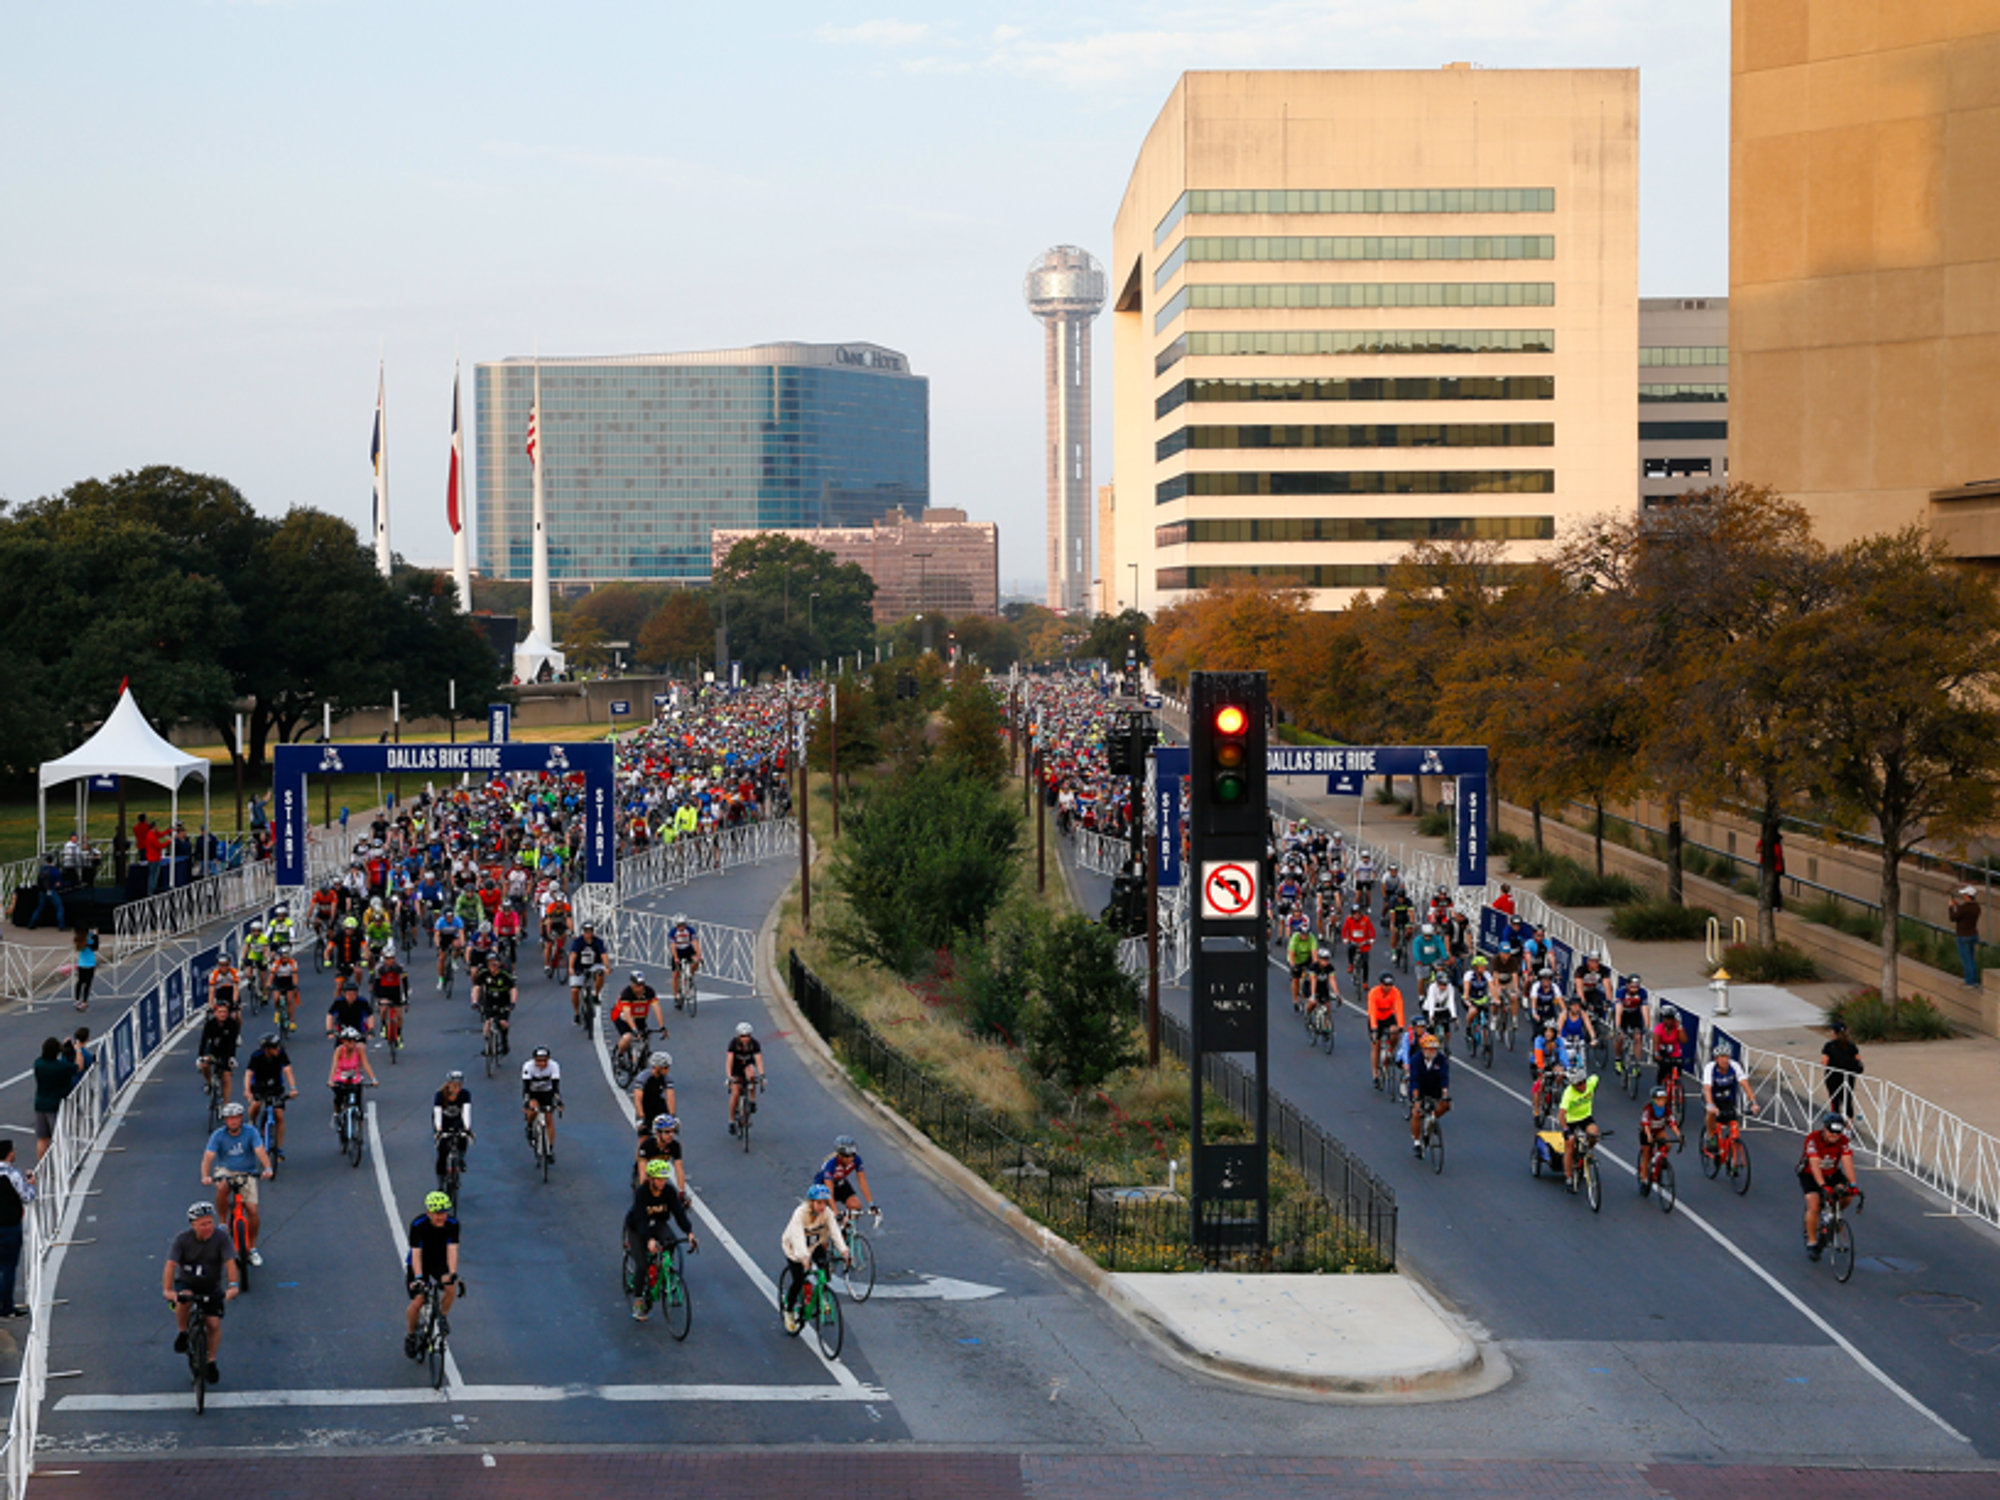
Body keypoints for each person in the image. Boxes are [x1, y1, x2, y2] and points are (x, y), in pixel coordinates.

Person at [164, 1202, 238, 1385]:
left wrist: (233, 1285)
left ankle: (211, 1360)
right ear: (193, 1225)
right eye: (203, 1224)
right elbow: (171, 1265)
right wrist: (168, 1290)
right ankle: (183, 1332)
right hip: (188, 1282)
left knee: (213, 1323)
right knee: (184, 1300)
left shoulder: (221, 1238)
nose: (207, 1227)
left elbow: (230, 1262)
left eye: (210, 1222)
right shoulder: (182, 1240)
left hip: (210, 1286)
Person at [623, 1159, 699, 1320]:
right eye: (658, 1179)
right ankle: (638, 1301)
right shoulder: (643, 1193)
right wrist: (649, 1239)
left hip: (658, 1222)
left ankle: (663, 1269)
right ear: (651, 1178)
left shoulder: (668, 1192)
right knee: (642, 1265)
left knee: (670, 1241)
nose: (662, 1182)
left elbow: (679, 1212)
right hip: (638, 1227)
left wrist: (689, 1232)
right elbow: (641, 1219)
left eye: (664, 1179)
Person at [200, 1102, 274, 1265]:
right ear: (225, 1120)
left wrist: (267, 1167)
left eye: (236, 1118)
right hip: (226, 1170)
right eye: (229, 1119)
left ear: (241, 1118)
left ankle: (253, 1248)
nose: (233, 1121)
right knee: (222, 1186)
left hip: (247, 1172)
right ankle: (222, 1222)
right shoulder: (218, 1135)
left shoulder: (250, 1132)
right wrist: (205, 1176)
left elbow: (260, 1150)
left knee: (252, 1210)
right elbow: (208, 1157)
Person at [777, 1183, 849, 1333]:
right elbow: (797, 1237)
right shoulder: (800, 1214)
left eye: (825, 1202)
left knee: (825, 1270)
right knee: (798, 1280)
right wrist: (803, 1257)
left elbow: (834, 1231)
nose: (822, 1206)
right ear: (811, 1202)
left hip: (814, 1245)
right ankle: (789, 1310)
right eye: (819, 1203)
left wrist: (844, 1251)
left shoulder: (827, 1213)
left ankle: (820, 1296)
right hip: (795, 1249)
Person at [404, 1191, 460, 1358]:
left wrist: (452, 1273)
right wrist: (419, 1278)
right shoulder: (418, 1225)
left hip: (439, 1262)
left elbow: (452, 1250)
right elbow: (416, 1253)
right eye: (437, 1213)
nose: (441, 1217)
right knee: (419, 1300)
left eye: (444, 1213)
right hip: (419, 1262)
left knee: (450, 1287)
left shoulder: (453, 1224)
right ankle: (411, 1335)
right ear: (429, 1212)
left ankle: (442, 1317)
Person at [1799, 1112, 1860, 1260]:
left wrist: (1853, 1184)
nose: (1834, 1135)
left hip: (1832, 1173)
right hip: (1811, 1174)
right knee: (1814, 1205)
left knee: (1847, 1197)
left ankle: (1832, 1215)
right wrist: (1823, 1185)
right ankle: (1812, 1242)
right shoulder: (1812, 1139)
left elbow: (1847, 1162)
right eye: (1831, 1132)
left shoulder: (1843, 1141)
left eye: (1838, 1133)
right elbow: (1814, 1165)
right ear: (1824, 1129)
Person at [244, 1034, 297, 1162]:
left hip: (276, 1087)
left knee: (279, 1115)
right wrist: (247, 1091)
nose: (277, 1049)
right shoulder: (256, 1056)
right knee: (256, 1105)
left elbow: (287, 1069)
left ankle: (278, 1148)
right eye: (274, 1047)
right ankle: (252, 1122)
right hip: (260, 1086)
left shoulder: (281, 1054)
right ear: (267, 1049)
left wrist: (293, 1087)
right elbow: (249, 1073)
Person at [1701, 1041, 1759, 1150]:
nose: (1725, 1060)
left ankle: (1732, 1151)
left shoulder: (1734, 1066)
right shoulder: (1710, 1068)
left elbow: (1745, 1084)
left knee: (1734, 1123)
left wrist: (1754, 1102)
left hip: (1727, 1098)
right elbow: (1707, 1088)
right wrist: (1710, 1105)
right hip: (1712, 1098)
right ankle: (1710, 1136)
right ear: (1716, 1059)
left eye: (1727, 1057)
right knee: (1711, 1114)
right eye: (1721, 1057)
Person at [0, 1140, 35, 1318]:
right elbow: (27, 1197)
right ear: (9, 1154)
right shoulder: (13, 1174)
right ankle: (6, 1307)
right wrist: (31, 1183)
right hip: (9, 1225)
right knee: (8, 1268)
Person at [31, 1037, 78, 1165]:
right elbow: (75, 1067)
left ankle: (43, 1166)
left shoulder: (38, 1063)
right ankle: (62, 1165)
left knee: (43, 1138)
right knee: (60, 1138)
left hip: (40, 1104)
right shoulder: (60, 1067)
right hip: (55, 1105)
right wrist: (72, 1051)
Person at [1407, 1032, 1451, 1157]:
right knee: (1417, 1112)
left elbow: (1444, 1077)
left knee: (1446, 1105)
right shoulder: (1415, 1060)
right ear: (1424, 1049)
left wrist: (1445, 1093)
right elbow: (1414, 1079)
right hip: (1420, 1088)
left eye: (1434, 1049)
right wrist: (1416, 1098)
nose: (1432, 1051)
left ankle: (1431, 1121)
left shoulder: (1441, 1059)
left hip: (1434, 1088)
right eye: (1429, 1049)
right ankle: (1416, 1143)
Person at [814, 1135, 878, 1218]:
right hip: (823, 1186)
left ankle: (848, 1229)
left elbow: (862, 1181)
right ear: (840, 1155)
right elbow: (829, 1191)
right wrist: (836, 1212)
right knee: (824, 1214)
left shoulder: (856, 1160)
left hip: (840, 1183)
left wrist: (871, 1204)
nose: (851, 1158)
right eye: (847, 1156)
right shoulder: (831, 1164)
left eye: (853, 1155)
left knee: (856, 1206)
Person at [1559, 1063, 1601, 1190]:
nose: (1582, 1086)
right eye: (1578, 1084)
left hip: (1585, 1117)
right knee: (1570, 1144)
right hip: (1570, 1120)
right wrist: (1566, 1130)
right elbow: (1561, 1115)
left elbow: (1596, 1077)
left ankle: (1585, 1153)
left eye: (1583, 1082)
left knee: (1595, 1134)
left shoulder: (1591, 1083)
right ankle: (1569, 1177)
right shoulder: (1568, 1093)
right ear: (1572, 1084)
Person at [610, 971, 663, 1071]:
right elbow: (627, 1014)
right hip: (622, 1018)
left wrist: (662, 1026)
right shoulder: (626, 993)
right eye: (638, 985)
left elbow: (656, 1008)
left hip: (639, 1017)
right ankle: (620, 1056)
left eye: (642, 984)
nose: (641, 988)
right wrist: (634, 1030)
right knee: (628, 1037)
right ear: (632, 984)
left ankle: (641, 1060)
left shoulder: (649, 991)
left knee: (646, 1037)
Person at [328, 1026, 377, 1127]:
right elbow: (334, 1065)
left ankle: (360, 1128)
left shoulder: (359, 1050)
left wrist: (373, 1079)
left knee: (358, 1102)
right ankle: (337, 1114)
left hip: (354, 1078)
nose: (352, 1043)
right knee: (339, 1098)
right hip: (341, 1077)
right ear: (344, 1041)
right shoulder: (339, 1050)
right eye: (349, 1041)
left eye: (354, 1041)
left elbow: (366, 1064)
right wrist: (331, 1080)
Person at [196, 1000, 241, 1107]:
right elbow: (204, 1041)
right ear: (215, 1013)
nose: (222, 1014)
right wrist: (200, 1056)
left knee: (226, 1076)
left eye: (225, 1012)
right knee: (204, 1064)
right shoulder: (210, 1024)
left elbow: (232, 1043)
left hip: (226, 1052)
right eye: (220, 1012)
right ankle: (210, 1082)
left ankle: (226, 1104)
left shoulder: (232, 1025)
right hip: (212, 1051)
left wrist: (232, 1058)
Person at [1365, 977, 1406, 1090]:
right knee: (1376, 1046)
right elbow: (1372, 1012)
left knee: (1395, 1033)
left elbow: (1399, 1008)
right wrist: (1374, 1029)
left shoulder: (1395, 992)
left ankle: (1390, 1052)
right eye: (1385, 985)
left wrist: (1401, 1025)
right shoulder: (1374, 993)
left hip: (1388, 1016)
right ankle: (1375, 1074)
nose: (1388, 987)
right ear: (1381, 984)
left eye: (1390, 985)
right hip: (1376, 1018)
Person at [521, 1047, 562, 1159]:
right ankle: (529, 1126)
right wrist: (526, 1102)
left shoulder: (554, 1066)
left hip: (547, 1092)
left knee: (549, 1119)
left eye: (544, 1060)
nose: (542, 1063)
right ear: (534, 1060)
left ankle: (549, 1149)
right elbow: (526, 1087)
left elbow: (556, 1086)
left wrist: (558, 1101)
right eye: (539, 1060)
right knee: (533, 1109)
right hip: (533, 1092)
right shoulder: (528, 1066)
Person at [433, 1072, 473, 1183]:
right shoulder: (440, 1095)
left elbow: (466, 1111)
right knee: (442, 1151)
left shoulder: (465, 1094)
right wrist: (439, 1129)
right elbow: (437, 1112)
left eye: (460, 1085)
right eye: (455, 1085)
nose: (457, 1088)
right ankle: (440, 1180)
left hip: (457, 1121)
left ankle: (460, 1158)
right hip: (443, 1122)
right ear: (449, 1085)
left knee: (462, 1138)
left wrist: (467, 1128)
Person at [473, 953, 516, 1057]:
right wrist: (475, 1001)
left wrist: (512, 1003)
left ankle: (504, 1042)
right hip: (489, 1000)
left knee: (503, 1022)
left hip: (503, 1001)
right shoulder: (483, 974)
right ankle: (489, 1045)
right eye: (490, 964)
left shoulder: (505, 975)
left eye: (495, 964)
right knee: (488, 1022)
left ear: (499, 964)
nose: (493, 966)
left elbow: (513, 989)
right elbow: (477, 988)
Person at [725, 1021, 763, 1136]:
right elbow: (729, 1062)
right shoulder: (733, 1044)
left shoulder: (754, 1044)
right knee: (735, 1093)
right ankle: (731, 1120)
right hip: (736, 1068)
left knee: (752, 1075)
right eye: (742, 1036)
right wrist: (730, 1077)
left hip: (747, 1065)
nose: (745, 1038)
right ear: (738, 1036)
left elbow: (759, 1060)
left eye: (747, 1036)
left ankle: (752, 1100)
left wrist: (762, 1075)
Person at [1821, 1019, 1863, 1120]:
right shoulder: (1851, 1045)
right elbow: (1858, 1059)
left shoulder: (1829, 1046)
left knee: (1835, 1101)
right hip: (1849, 1076)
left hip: (1833, 1077)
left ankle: (1836, 1123)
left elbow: (1825, 1062)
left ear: (1834, 1032)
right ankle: (1849, 1125)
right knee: (1847, 1100)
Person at [568, 919, 608, 1024]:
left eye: (590, 931)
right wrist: (571, 968)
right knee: (575, 991)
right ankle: (577, 1013)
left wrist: (607, 967)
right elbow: (573, 955)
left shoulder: (598, 942)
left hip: (594, 965)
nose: (588, 933)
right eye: (586, 931)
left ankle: (596, 995)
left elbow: (603, 955)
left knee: (600, 973)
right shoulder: (578, 942)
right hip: (579, 967)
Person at [636, 1112, 686, 1195]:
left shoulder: (675, 1146)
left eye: (673, 1131)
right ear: (658, 1133)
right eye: (667, 1132)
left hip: (659, 1172)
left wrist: (682, 1191)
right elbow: (642, 1171)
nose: (671, 1135)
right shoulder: (647, 1146)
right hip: (646, 1171)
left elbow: (679, 1169)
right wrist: (645, 1192)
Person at [1949, 886, 1983, 988]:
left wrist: (1951, 907)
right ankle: (1974, 980)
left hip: (1963, 936)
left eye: (1964, 894)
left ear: (1968, 896)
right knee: (1971, 958)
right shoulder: (1977, 907)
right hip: (1973, 934)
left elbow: (1953, 917)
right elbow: (1964, 913)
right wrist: (1958, 906)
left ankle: (1969, 981)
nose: (1963, 896)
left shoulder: (1964, 908)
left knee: (1965, 959)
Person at [632, 1050, 677, 1128]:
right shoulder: (643, 1077)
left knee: (668, 1130)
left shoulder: (667, 1078)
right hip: (645, 1106)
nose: (668, 1070)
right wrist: (641, 1117)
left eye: (668, 1067)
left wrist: (673, 1116)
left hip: (658, 1104)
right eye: (665, 1068)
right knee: (644, 1134)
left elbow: (670, 1097)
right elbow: (638, 1099)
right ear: (657, 1067)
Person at [668, 915, 702, 1009]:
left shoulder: (690, 930)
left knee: (696, 962)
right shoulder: (673, 932)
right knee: (675, 975)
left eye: (683, 925)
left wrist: (699, 955)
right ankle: (676, 996)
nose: (681, 927)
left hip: (688, 950)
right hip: (678, 952)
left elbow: (695, 943)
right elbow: (673, 946)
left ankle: (689, 976)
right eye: (679, 925)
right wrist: (675, 958)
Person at [29, 852, 65, 931]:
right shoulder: (55, 871)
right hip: (51, 891)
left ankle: (32, 923)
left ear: (46, 861)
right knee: (59, 908)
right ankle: (61, 925)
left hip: (42, 891)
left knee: (39, 908)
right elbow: (58, 883)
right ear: (52, 861)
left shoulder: (42, 870)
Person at [72, 928, 99, 1012]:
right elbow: (95, 947)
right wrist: (95, 936)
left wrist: (92, 934)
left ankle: (77, 1000)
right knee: (87, 983)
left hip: (82, 964)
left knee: (80, 982)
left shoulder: (79, 940)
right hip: (90, 963)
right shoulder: (88, 941)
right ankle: (84, 1001)